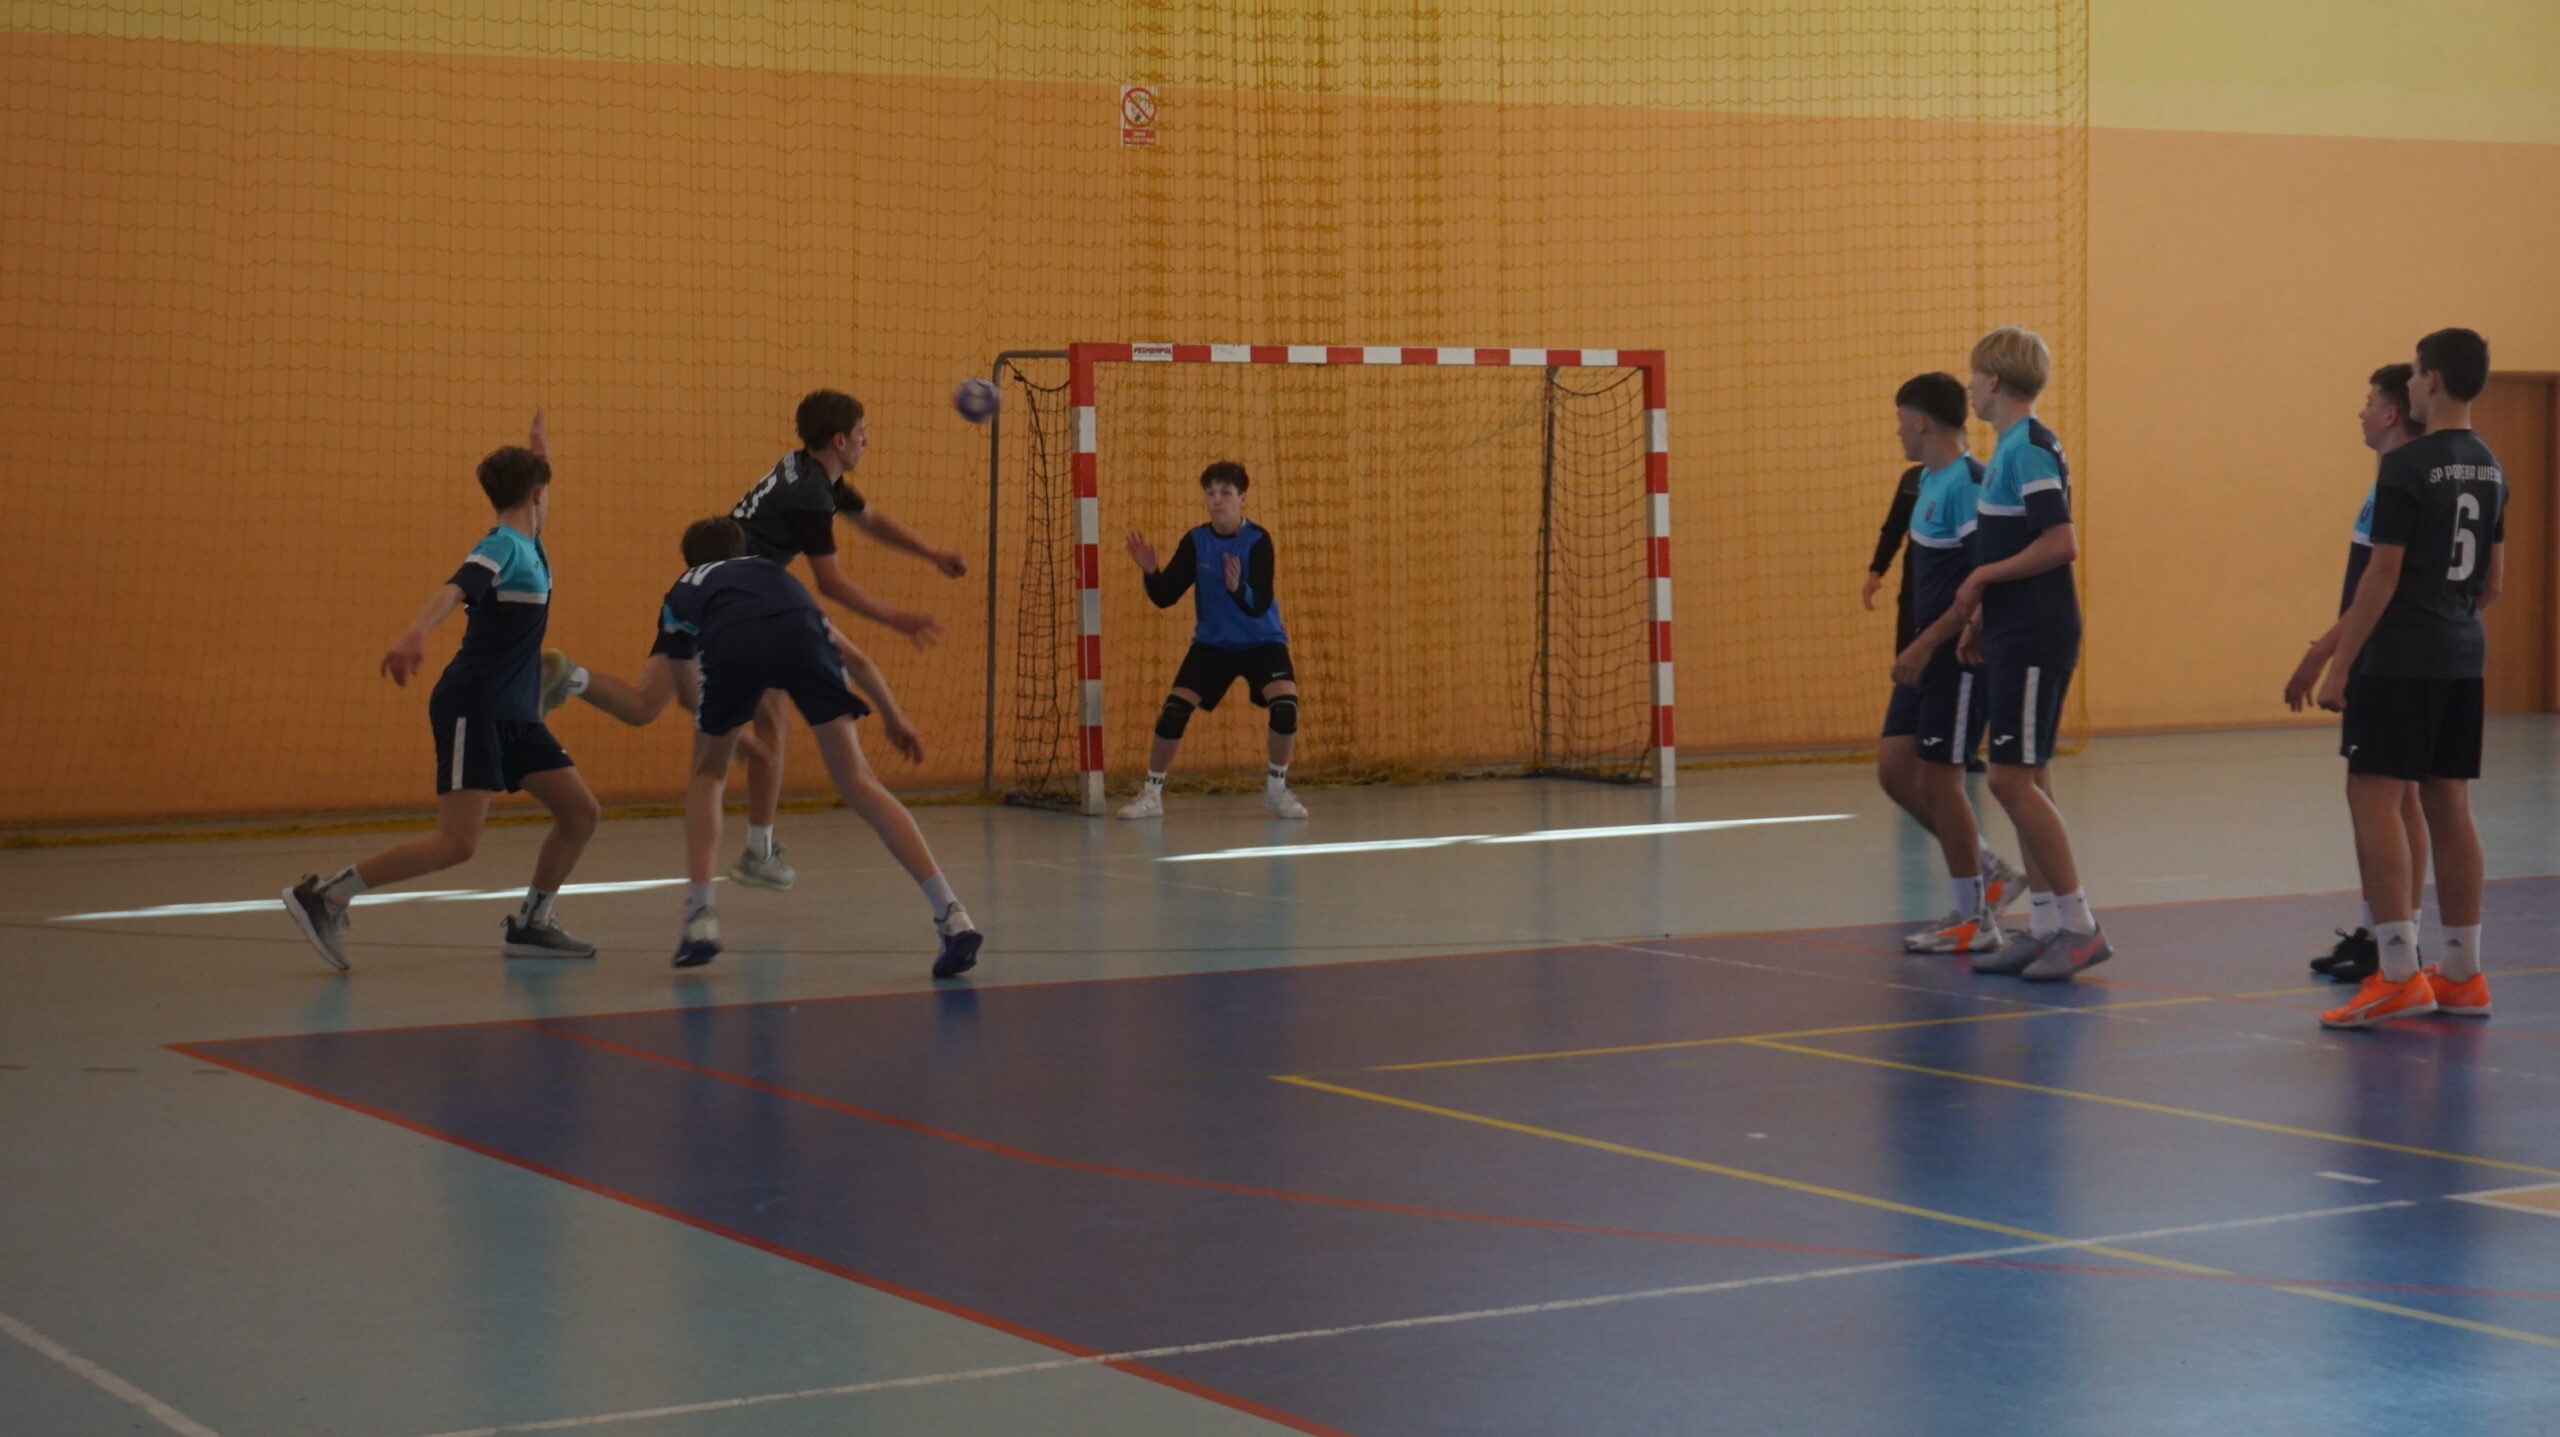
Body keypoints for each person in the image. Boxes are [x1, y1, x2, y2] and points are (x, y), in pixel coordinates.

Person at [282, 415, 602, 970]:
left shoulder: (531, 542)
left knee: (579, 812)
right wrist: (415, 633)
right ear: (534, 493)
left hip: (516, 711)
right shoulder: (502, 546)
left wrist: (541, 457)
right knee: (457, 843)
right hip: (474, 704)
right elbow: (457, 587)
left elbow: (538, 508)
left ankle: (533, 923)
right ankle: (327, 895)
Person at [654, 517, 982, 978]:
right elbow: (858, 660)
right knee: (859, 781)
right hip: (800, 630)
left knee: (708, 774)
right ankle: (951, 913)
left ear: (690, 562)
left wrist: (741, 740)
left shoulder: (683, 590)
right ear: (742, 550)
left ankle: (700, 918)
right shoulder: (774, 577)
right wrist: (894, 717)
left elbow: (689, 695)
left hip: (734, 642)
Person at [1895, 327, 2107, 981]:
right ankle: (2045, 927)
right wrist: (1983, 616)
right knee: (2027, 780)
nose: (1968, 388)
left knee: (2011, 780)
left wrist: (1982, 579)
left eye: (1973, 376)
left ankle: (2080, 926)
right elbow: (2012, 542)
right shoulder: (2012, 448)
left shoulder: (2028, 449)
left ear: (1992, 381)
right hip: (2013, 628)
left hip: (2037, 632)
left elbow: (2060, 542)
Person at [2314, 328, 2504, 1029]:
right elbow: (2492, 583)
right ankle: (2462, 972)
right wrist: (2450, 619)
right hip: (2462, 652)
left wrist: (2340, 665)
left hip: (2399, 658)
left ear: (2432, 382)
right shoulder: (2490, 466)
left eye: (2418, 373)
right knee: (2449, 803)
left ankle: (2396, 972)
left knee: (2373, 794)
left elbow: (2382, 575)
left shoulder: (2406, 466)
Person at [725, 389, 966, 892]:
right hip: (749, 596)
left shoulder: (810, 472)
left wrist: (931, 553)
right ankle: (755, 839)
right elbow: (830, 583)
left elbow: (870, 519)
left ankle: (757, 849)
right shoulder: (810, 495)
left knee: (770, 718)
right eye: (861, 433)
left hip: (737, 590)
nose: (866, 441)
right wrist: (897, 618)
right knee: (845, 665)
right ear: (839, 440)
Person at [2286, 365, 2431, 983]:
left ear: (2392, 413)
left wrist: (2325, 654)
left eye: (2369, 402)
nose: (2362, 412)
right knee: (2399, 796)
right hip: (2390, 656)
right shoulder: (2390, 483)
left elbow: (2380, 586)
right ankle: (2384, 932)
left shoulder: (2401, 481)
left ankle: (2397, 944)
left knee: (2383, 795)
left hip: (2385, 657)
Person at [1875, 373, 2020, 955]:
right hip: (1925, 654)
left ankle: (1974, 918)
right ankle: (1989, 870)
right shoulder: (1927, 482)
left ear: (1921, 423)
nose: (1897, 432)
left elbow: (1980, 589)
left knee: (1941, 780)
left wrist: (1926, 644)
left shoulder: (1969, 484)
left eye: (1899, 421)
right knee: (1895, 771)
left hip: (1956, 655)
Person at [1117, 461, 1307, 820]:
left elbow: (1259, 603)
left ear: (1242, 498)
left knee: (1285, 707)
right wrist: (1151, 572)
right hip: (1213, 645)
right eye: (1211, 493)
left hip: (1261, 641)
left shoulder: (1258, 541)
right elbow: (1165, 596)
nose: (1217, 500)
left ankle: (1277, 790)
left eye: (1226, 493)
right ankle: (1152, 794)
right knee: (1173, 713)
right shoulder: (1196, 541)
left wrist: (1237, 588)